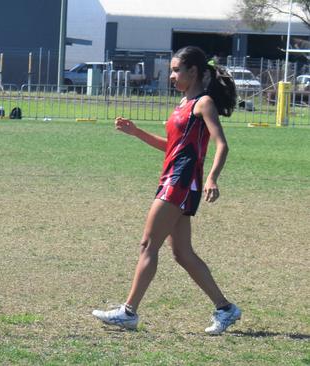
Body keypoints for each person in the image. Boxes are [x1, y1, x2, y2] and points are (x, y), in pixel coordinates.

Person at [91, 46, 241, 335]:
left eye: (176, 70)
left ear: (193, 71)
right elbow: (171, 148)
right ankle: (226, 309)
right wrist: (136, 133)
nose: (171, 76)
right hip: (172, 179)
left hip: (182, 182)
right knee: (182, 253)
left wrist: (212, 177)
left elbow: (221, 144)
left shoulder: (202, 103)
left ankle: (128, 312)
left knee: (149, 245)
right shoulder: (183, 104)